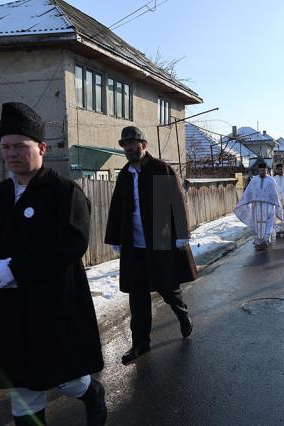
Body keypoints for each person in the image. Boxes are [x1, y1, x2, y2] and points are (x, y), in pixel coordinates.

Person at [0, 102, 106, 425]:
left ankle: (91, 392)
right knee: (24, 388)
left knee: (65, 378)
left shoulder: (64, 193)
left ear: (42, 148)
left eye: (20, 146)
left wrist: (16, 269)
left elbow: (72, 243)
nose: (12, 153)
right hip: (10, 312)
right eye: (6, 147)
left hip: (54, 308)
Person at [105, 126, 197, 365]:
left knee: (167, 287)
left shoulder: (160, 169)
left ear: (143, 144)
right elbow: (116, 207)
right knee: (137, 297)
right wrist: (115, 237)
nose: (129, 148)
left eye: (133, 143)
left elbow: (176, 202)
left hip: (159, 240)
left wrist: (180, 235)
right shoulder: (124, 174)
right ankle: (140, 344)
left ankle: (182, 314)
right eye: (125, 145)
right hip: (134, 244)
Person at [235, 162, 284, 249]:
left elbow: (277, 193)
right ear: (258, 170)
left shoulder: (271, 180)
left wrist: (278, 204)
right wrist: (243, 202)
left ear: (267, 170)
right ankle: (258, 240)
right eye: (260, 170)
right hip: (256, 206)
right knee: (257, 223)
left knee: (268, 223)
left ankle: (265, 239)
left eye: (264, 170)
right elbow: (248, 192)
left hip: (268, 206)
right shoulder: (254, 180)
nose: (262, 172)